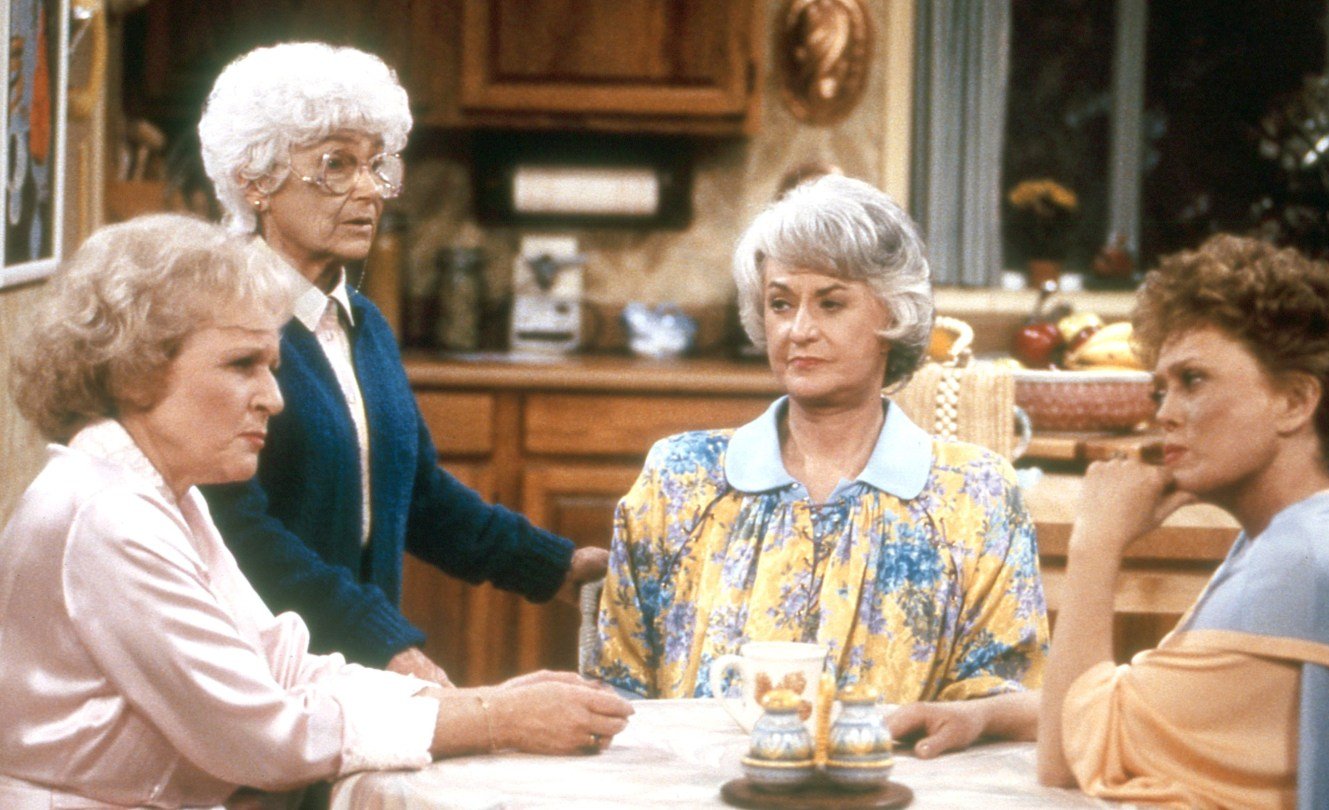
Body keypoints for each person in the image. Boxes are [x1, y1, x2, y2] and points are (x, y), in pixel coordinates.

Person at [0, 215, 632, 807]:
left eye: (272, 366)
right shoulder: (110, 517)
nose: (273, 398)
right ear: (134, 372)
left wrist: (473, 702)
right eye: (242, 364)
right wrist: (493, 720)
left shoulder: (160, 492)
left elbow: (283, 662)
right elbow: (264, 737)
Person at [586, 175, 1047, 750]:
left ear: (893, 316)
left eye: (831, 303)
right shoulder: (681, 477)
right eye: (780, 303)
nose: (799, 330)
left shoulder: (975, 494)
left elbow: (1003, 697)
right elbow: (620, 691)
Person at [196, 42, 606, 684]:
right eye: (336, 164)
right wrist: (382, 645)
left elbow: (415, 496)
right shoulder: (219, 326)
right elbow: (232, 532)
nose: (368, 190)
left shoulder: (365, 326)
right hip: (260, 673)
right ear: (255, 180)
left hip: (350, 671)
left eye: (375, 164)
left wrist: (555, 567)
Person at [1035, 235, 1329, 807]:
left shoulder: (1307, 561)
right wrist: (998, 713)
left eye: (1193, 380)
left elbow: (1063, 758)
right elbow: (1162, 707)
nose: (1164, 414)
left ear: (1294, 402)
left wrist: (1095, 541)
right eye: (1161, 390)